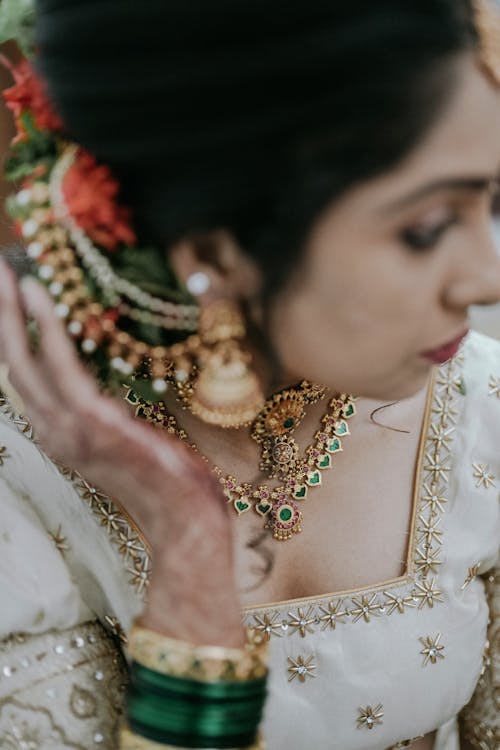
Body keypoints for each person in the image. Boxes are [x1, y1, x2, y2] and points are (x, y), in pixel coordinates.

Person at [0, 1, 499, 749]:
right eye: (424, 230)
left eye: (492, 203)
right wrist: (189, 560)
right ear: (215, 255)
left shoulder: (482, 406)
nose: (488, 280)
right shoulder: (20, 469)